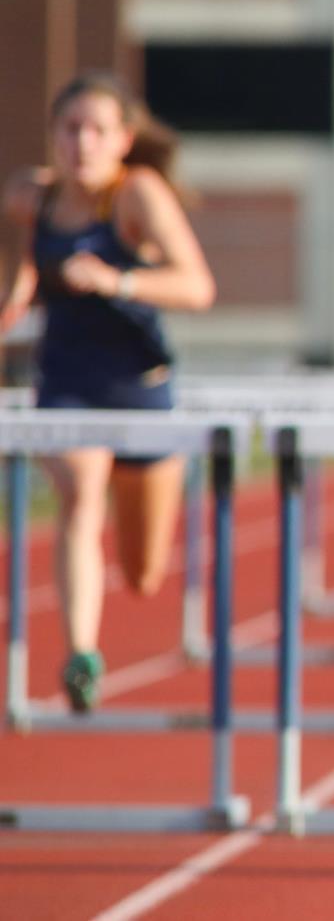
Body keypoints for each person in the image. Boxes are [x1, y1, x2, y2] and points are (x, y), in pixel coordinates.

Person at [0, 73, 216, 712]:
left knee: (145, 574)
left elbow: (197, 287)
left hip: (140, 384)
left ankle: (94, 632)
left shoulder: (137, 196)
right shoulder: (29, 197)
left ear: (123, 140)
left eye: (97, 130)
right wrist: (15, 295)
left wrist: (116, 282)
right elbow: (25, 269)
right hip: (67, 381)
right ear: (53, 136)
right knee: (78, 494)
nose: (82, 143)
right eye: (70, 129)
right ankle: (82, 653)